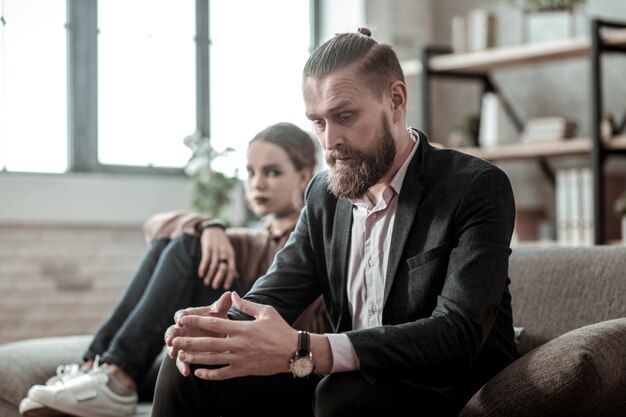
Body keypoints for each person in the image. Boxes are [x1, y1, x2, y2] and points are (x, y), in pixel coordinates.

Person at [151, 27, 519, 417]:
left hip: (442, 388)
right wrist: (220, 331)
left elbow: (456, 335)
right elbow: (275, 293)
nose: (329, 141)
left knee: (342, 395)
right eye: (319, 122)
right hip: (342, 376)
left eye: (344, 117)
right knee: (188, 370)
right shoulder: (323, 194)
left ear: (395, 100)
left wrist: (307, 348)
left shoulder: (476, 187)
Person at [21, 122, 330, 417]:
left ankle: (118, 376)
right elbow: (156, 228)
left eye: (272, 172)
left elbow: (312, 323)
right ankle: (97, 366)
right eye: (250, 173)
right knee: (183, 244)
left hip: (276, 356)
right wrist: (209, 226)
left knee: (188, 249)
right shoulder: (251, 239)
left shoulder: (313, 243)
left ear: (304, 177)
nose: (257, 183)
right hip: (219, 344)